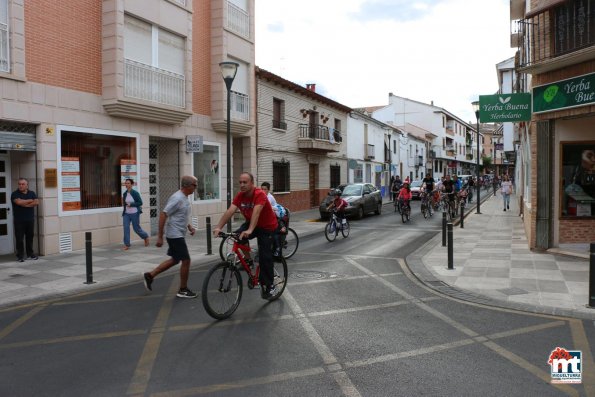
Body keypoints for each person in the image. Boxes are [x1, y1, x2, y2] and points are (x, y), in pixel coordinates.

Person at [214, 172, 278, 300]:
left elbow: (256, 213)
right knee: (237, 236)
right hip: (252, 224)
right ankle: (248, 261)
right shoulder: (240, 196)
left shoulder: (259, 194)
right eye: (240, 182)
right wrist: (218, 227)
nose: (242, 185)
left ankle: (270, 285)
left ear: (252, 183)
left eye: (245, 182)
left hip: (267, 227)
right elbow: (230, 211)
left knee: (265, 257)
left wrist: (250, 230)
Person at [143, 176, 198, 298]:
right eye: (195, 185)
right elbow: (164, 215)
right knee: (186, 260)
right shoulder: (177, 198)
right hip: (174, 234)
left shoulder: (184, 198)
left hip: (178, 233)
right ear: (187, 186)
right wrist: (160, 236)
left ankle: (150, 275)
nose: (196, 187)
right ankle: (183, 289)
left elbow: (179, 215)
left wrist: (189, 226)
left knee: (175, 259)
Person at [11, 178, 39, 262]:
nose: (21, 185)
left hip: (30, 220)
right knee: (19, 239)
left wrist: (25, 203)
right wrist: (30, 201)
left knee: (30, 237)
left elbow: (36, 202)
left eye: (23, 184)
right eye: (19, 184)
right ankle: (20, 256)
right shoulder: (14, 194)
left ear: (27, 185)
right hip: (19, 220)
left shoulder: (32, 193)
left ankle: (30, 254)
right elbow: (19, 203)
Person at [121, 178, 150, 250]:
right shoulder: (124, 194)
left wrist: (131, 204)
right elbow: (125, 203)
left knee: (136, 228)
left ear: (132, 184)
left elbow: (140, 203)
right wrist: (124, 205)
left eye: (128, 183)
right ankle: (127, 244)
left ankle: (145, 237)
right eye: (126, 183)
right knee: (126, 227)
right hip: (126, 213)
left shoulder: (135, 193)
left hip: (134, 213)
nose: (127, 184)